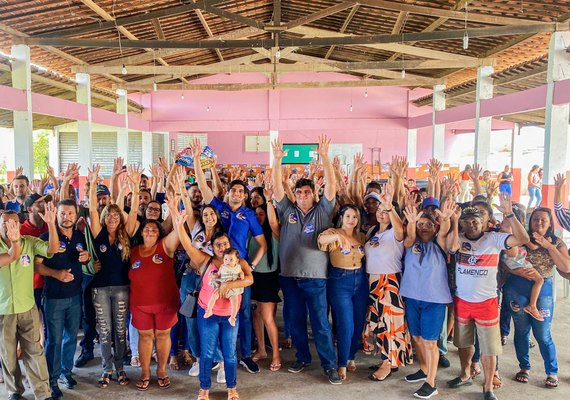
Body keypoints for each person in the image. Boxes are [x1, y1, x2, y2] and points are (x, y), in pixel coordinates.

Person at [190, 139, 267, 374]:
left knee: (241, 312)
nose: (236, 193)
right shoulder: (219, 208)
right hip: (215, 267)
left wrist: (251, 266)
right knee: (212, 310)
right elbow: (204, 188)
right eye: (233, 190)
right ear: (229, 193)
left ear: (245, 196)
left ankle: (243, 354)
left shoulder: (250, 215)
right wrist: (197, 161)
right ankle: (217, 356)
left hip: (239, 269)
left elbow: (262, 244)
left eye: (241, 191)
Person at [271, 135, 341, 385]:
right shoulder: (287, 210)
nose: (302, 195)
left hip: (316, 278)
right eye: (299, 192)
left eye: (306, 192)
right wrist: (277, 160)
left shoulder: (323, 211)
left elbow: (332, 187)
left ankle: (329, 366)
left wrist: (324, 157)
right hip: (289, 277)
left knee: (321, 324)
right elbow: (277, 189)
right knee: (296, 321)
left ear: (314, 193)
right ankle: (302, 357)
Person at [447, 193, 530, 400]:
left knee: (489, 348)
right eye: (467, 221)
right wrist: (454, 221)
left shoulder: (494, 238)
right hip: (462, 301)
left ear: (484, 222)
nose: (472, 225)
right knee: (464, 343)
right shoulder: (459, 238)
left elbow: (523, 239)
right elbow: (450, 246)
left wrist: (510, 214)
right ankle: (465, 374)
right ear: (462, 225)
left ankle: (487, 386)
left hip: (487, 303)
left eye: (476, 220)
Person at [175, 218, 253, 400]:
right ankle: (204, 389)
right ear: (212, 247)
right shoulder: (205, 261)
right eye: (217, 244)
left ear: (229, 244)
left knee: (230, 353)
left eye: (225, 243)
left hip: (229, 315)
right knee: (207, 352)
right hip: (208, 313)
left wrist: (230, 284)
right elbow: (188, 246)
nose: (221, 247)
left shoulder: (238, 261)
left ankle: (232, 388)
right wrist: (179, 225)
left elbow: (249, 279)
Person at [503, 206, 570, 389]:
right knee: (522, 331)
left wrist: (549, 246)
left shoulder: (557, 242)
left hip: (543, 289)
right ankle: (524, 368)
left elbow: (566, 267)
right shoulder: (521, 237)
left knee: (543, 334)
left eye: (543, 220)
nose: (539, 223)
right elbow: (505, 260)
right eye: (535, 219)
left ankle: (551, 371)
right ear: (529, 221)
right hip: (517, 286)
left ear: (549, 224)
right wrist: (518, 272)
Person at [35, 200, 92, 400]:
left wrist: (85, 258)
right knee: (54, 341)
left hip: (75, 296)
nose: (66, 217)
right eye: (62, 213)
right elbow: (37, 266)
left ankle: (66, 372)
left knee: (70, 339)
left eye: (70, 213)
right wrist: (56, 273)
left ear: (76, 215)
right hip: (54, 298)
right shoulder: (46, 237)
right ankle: (52, 380)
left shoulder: (79, 236)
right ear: (56, 215)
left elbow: (86, 259)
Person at [0, 205, 59, 400]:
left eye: (15, 223)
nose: (11, 227)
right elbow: (11, 256)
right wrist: (15, 242)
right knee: (8, 355)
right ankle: (15, 391)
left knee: (35, 352)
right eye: (6, 224)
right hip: (3, 311)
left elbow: (52, 248)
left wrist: (51, 225)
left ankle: (43, 394)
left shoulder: (30, 242)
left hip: (28, 307)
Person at [400, 199, 454, 399]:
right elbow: (410, 235)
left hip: (434, 300)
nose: (424, 228)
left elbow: (444, 231)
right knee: (417, 338)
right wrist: (412, 223)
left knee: (430, 342)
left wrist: (446, 219)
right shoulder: (409, 243)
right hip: (412, 297)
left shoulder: (440, 244)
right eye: (420, 224)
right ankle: (423, 369)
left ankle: (431, 383)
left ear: (435, 227)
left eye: (428, 224)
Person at [128, 187, 181, 391]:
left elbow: (177, 232)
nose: (150, 231)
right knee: (145, 336)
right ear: (141, 232)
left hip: (165, 303)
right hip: (140, 304)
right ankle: (145, 372)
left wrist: (175, 210)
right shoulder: (132, 251)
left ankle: (161, 370)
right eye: (147, 229)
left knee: (162, 335)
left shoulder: (165, 246)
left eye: (154, 229)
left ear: (159, 233)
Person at [87, 165, 134, 388]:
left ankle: (120, 368)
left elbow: (132, 212)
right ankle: (106, 369)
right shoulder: (99, 234)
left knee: (120, 329)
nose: (113, 218)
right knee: (104, 330)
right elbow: (93, 211)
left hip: (122, 287)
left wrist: (127, 188)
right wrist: (95, 182)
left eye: (116, 215)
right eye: (110, 215)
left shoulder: (127, 235)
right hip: (101, 288)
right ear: (105, 218)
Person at [364, 184, 412, 382]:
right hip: (373, 281)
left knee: (390, 323)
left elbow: (401, 230)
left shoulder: (395, 233)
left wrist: (390, 205)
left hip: (389, 280)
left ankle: (388, 363)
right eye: (380, 210)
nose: (382, 213)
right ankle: (387, 358)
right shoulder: (372, 232)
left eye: (386, 211)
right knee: (378, 322)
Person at [317, 204, 367, 381]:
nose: (351, 220)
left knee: (358, 322)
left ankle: (351, 355)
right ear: (341, 218)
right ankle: (342, 363)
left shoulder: (361, 236)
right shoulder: (332, 233)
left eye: (354, 217)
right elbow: (320, 241)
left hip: (360, 281)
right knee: (346, 324)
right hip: (340, 281)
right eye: (348, 216)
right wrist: (338, 235)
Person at [204, 248, 244, 326]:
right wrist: (214, 276)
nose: (228, 261)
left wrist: (242, 275)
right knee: (214, 295)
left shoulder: (238, 267)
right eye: (226, 259)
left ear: (237, 261)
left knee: (235, 303)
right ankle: (209, 310)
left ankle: (232, 317)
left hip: (233, 289)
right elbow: (218, 274)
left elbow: (241, 273)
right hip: (222, 285)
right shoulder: (222, 267)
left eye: (231, 260)